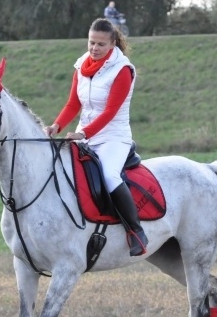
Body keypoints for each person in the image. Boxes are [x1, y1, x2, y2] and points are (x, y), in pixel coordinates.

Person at [44, 18, 148, 256]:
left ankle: (136, 231)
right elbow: (73, 103)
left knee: (110, 176)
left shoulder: (122, 70)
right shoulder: (82, 64)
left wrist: (84, 133)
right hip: (83, 135)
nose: (94, 48)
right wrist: (56, 126)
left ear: (112, 44)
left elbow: (111, 112)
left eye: (101, 44)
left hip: (113, 137)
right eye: (91, 42)